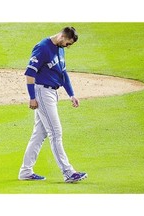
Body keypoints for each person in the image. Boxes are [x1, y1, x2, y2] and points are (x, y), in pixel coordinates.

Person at [18, 27, 87, 183]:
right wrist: (32, 97)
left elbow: (63, 73)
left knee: (39, 135)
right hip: (42, 93)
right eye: (67, 43)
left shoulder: (59, 48)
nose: (67, 47)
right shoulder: (42, 48)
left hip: (52, 93)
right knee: (56, 133)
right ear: (62, 36)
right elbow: (30, 73)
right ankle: (68, 172)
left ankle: (25, 171)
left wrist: (71, 94)